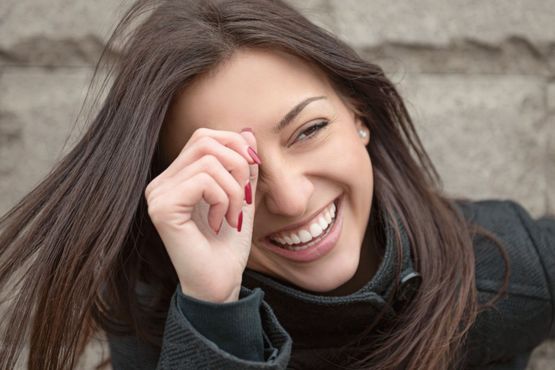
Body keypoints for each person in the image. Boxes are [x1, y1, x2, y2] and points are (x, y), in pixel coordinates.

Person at [0, 0, 554, 369]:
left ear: (359, 113)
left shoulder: (504, 271)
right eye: (234, 170)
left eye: (309, 130)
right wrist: (212, 312)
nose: (289, 198)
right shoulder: (157, 314)